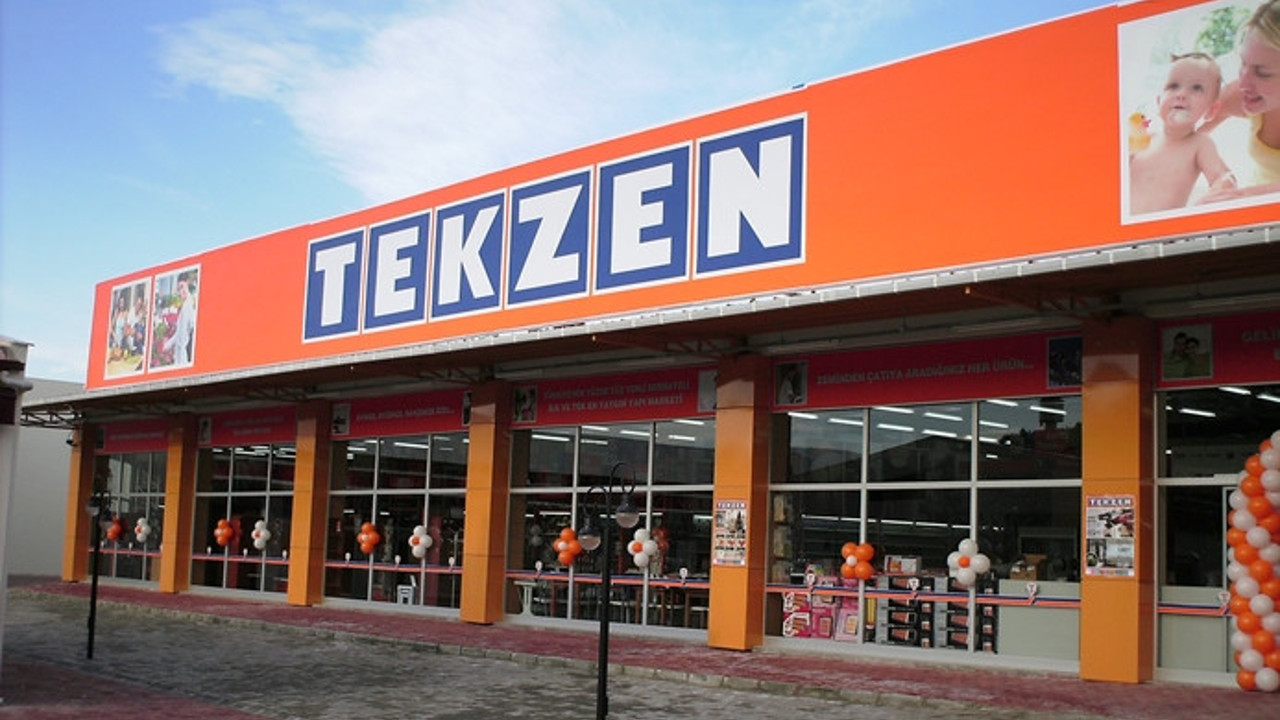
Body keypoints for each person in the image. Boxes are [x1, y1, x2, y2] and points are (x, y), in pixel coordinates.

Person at [1129, 52, 1236, 214]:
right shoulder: (1145, 140)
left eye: (1197, 88)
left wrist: (1223, 185)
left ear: (1212, 110)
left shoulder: (1199, 144)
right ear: (1158, 101)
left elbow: (1221, 176)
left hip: (1161, 227)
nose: (1181, 95)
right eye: (1173, 86)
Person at [1200, 0, 1280, 202]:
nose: (1243, 83)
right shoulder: (1246, 95)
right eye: (1243, 62)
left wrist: (1239, 197)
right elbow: (1181, 139)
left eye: (1262, 73)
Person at [163, 278, 196, 365]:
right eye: (179, 289)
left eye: (182, 287)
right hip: (181, 355)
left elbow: (188, 332)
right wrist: (167, 345)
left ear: (187, 284)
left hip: (184, 355)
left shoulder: (191, 304)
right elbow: (180, 333)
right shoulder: (185, 306)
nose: (181, 291)